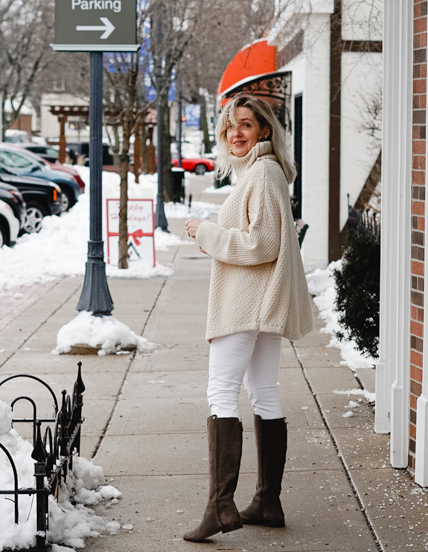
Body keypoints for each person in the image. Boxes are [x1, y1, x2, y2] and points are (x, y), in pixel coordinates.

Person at [183, 93, 313, 542]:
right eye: (229, 126)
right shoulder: (261, 173)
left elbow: (262, 244)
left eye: (246, 124)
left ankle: (220, 505)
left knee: (221, 392)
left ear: (263, 130)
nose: (236, 133)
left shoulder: (263, 173)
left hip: (246, 303)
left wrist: (207, 233)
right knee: (264, 393)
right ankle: (267, 501)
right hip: (261, 302)